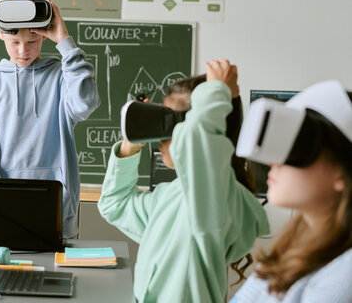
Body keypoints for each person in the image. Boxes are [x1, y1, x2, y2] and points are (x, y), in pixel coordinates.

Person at [98, 60, 270, 302]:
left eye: (171, 122)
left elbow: (199, 143)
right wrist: (130, 147)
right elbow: (115, 204)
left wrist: (216, 91)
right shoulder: (171, 195)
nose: (161, 135)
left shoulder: (220, 197)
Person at [0, 0, 99, 238]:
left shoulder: (61, 76)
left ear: (44, 36)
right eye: (15, 42)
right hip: (2, 211)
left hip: (56, 209)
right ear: (1, 35)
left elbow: (85, 103)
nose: (23, 51)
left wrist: (65, 41)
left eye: (32, 41)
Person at [231, 80, 352, 302]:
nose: (273, 162)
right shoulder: (293, 246)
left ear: (342, 171)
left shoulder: (344, 278)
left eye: (296, 146)